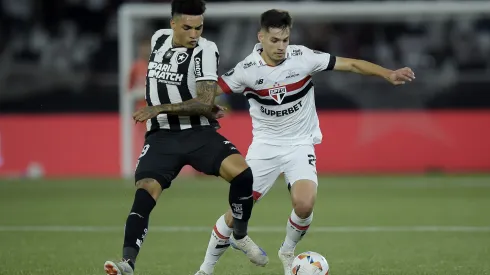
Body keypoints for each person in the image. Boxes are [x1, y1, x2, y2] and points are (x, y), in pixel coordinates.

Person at [133, 8, 415, 275]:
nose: (281, 46)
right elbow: (207, 93)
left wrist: (387, 73)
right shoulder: (246, 70)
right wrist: (187, 106)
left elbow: (351, 64)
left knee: (304, 204)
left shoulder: (303, 57)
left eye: (286, 39)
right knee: (236, 213)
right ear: (262, 38)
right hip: (265, 147)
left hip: (300, 144)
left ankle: (287, 251)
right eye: (275, 40)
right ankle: (205, 268)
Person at [104, 1, 269, 274]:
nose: (194, 34)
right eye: (187, 27)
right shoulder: (158, 40)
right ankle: (127, 263)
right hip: (161, 136)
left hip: (197, 132)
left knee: (243, 175)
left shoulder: (206, 50)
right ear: (172, 25)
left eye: (199, 27)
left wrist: (162, 107)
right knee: (145, 191)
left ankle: (238, 235)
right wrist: (174, 108)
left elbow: (204, 100)